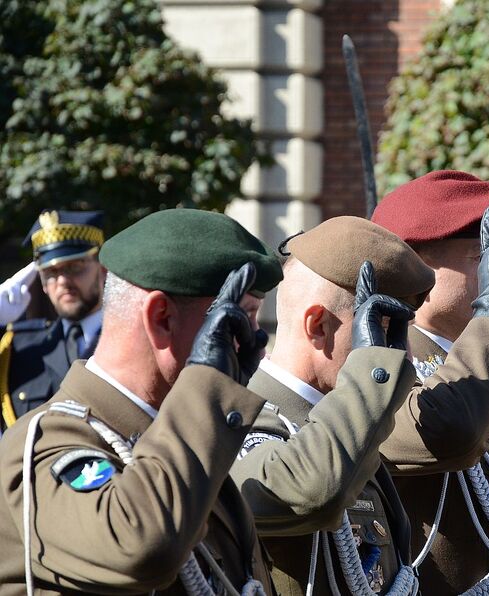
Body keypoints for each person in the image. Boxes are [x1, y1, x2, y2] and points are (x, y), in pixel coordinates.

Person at [0, 208, 282, 594]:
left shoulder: (187, 437)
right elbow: (142, 544)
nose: (252, 341)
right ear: (162, 318)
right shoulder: (44, 443)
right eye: (238, 320)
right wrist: (209, 385)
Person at [230, 216, 433, 595]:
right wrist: (372, 375)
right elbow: (313, 492)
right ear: (319, 326)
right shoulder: (249, 422)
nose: (400, 356)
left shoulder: (350, 422)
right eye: (382, 333)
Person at [371, 170, 489, 595]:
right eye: (478, 260)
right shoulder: (387, 366)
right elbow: (451, 432)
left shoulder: (476, 361)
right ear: (417, 268)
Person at [1, 210, 106, 431]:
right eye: (50, 272)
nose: (63, 281)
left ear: (103, 269)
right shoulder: (19, 348)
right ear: (41, 282)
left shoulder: (134, 339)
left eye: (74, 267)